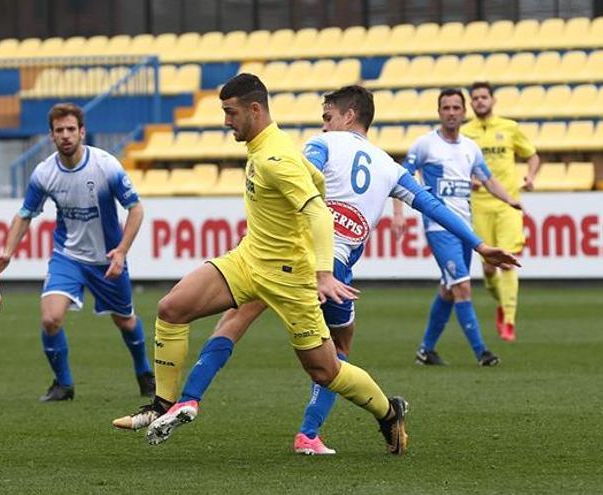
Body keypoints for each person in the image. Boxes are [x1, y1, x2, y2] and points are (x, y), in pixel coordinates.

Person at [142, 85, 520, 453]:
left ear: (348, 115)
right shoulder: (389, 167)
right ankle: (312, 432)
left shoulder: (320, 144)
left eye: (328, 117)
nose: (323, 125)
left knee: (234, 318)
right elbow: (432, 205)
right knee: (335, 356)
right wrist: (480, 245)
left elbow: (304, 187)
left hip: (298, 261)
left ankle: (187, 399)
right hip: (334, 273)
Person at [113, 74, 409, 455]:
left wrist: (322, 273)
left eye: (230, 112)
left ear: (255, 109)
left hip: (290, 279)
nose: (225, 121)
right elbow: (315, 182)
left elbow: (318, 213)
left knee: (325, 370)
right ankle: (163, 405)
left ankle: (389, 412)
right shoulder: (264, 147)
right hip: (249, 260)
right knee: (171, 308)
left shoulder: (275, 157)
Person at [0, 103, 154, 402]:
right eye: (59, 130)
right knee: (50, 319)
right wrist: (7, 252)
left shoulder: (105, 166)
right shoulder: (44, 173)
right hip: (67, 257)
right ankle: (63, 385)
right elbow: (25, 213)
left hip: (107, 258)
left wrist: (121, 251)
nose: (65, 136)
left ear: (82, 132)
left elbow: (136, 208)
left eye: (70, 130)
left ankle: (144, 372)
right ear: (51, 135)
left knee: (125, 320)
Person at [401, 88, 522, 367]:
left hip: (464, 227)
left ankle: (425, 350)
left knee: (448, 288)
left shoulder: (470, 147)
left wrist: (509, 200)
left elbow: (488, 179)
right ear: (439, 112)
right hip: (439, 227)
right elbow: (403, 176)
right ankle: (482, 352)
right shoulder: (425, 145)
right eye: (446, 108)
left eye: (456, 107)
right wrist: (399, 212)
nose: (452, 112)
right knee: (463, 288)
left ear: (463, 112)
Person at [461, 81, 541, 342]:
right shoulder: (464, 133)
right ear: (471, 103)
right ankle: (500, 302)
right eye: (475, 98)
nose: (480, 101)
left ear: (493, 100)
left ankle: (508, 319)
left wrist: (530, 176)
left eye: (484, 97)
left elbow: (532, 156)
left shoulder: (509, 128)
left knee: (508, 262)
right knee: (488, 269)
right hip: (478, 204)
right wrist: (466, 178)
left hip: (508, 204)